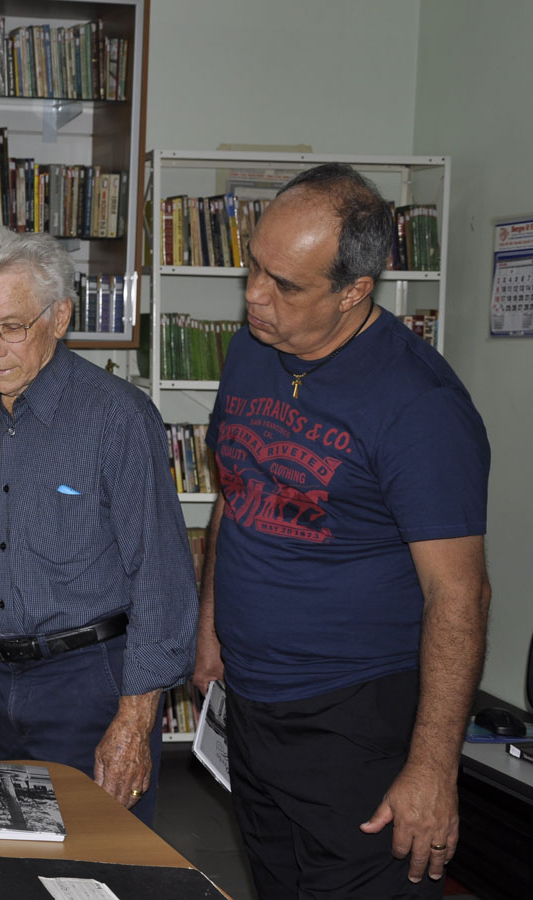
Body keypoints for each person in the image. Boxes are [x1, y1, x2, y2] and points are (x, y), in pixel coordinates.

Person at [194, 163, 490, 897]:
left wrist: (431, 768)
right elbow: (238, 491)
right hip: (256, 706)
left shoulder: (419, 406)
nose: (255, 297)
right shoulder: (250, 351)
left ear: (356, 290)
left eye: (286, 285)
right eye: (253, 268)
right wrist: (211, 626)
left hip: (356, 718)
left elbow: (460, 595)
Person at [0, 226, 198, 826]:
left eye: (11, 326)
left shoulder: (118, 419)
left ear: (59, 316)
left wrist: (133, 723)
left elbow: (162, 580)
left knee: (92, 867)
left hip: (90, 687)